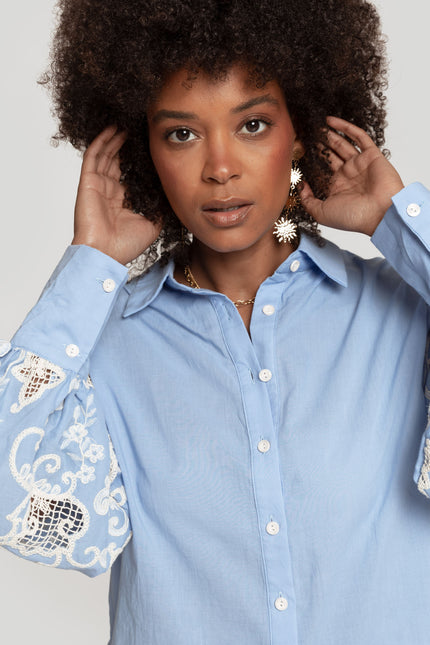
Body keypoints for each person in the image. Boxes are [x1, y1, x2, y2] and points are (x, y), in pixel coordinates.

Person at [0, 0, 429, 643]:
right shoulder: (104, 344)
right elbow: (10, 488)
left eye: (252, 124)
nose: (220, 167)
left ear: (300, 133)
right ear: (144, 151)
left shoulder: (402, 317)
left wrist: (398, 220)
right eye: (182, 134)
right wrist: (91, 264)